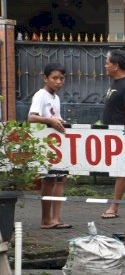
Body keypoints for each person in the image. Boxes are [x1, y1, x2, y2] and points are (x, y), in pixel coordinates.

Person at [28, 63, 71, 229]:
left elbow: (56, 118)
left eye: (61, 78)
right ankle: (46, 219)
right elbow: (31, 117)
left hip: (56, 144)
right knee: (49, 179)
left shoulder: (56, 98)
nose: (58, 82)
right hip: (46, 143)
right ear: (45, 78)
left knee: (61, 177)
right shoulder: (41, 95)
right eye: (54, 78)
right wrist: (50, 121)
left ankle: (56, 218)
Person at [100, 49, 125, 219]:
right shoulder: (115, 83)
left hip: (121, 136)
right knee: (122, 170)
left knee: (121, 172)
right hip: (112, 135)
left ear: (115, 66)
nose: (105, 66)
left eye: (108, 63)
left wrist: (124, 138)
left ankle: (114, 207)